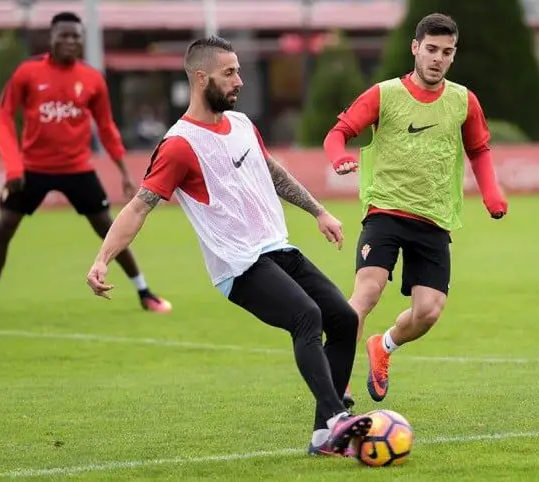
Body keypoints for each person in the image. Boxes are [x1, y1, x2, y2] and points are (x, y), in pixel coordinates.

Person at [86, 35, 374, 456]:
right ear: (201, 79)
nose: (239, 80)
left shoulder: (242, 125)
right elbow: (137, 208)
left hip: (277, 250)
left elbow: (273, 172)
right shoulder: (179, 145)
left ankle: (322, 436)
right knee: (307, 317)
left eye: (238, 70)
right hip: (237, 266)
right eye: (229, 73)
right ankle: (335, 419)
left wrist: (318, 212)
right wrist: (102, 259)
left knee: (344, 319)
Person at [323, 13, 509, 405]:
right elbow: (337, 133)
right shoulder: (384, 94)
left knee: (428, 312)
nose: (438, 58)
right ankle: (337, 384)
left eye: (447, 52)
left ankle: (384, 347)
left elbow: (479, 149)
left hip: (434, 218)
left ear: (453, 55)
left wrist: (492, 193)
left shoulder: (463, 101)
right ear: (415, 48)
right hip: (385, 212)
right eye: (431, 49)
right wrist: (338, 156)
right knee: (366, 293)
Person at [0, 12, 170, 318]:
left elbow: (106, 128)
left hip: (77, 169)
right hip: (32, 169)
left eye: (75, 36)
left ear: (81, 40)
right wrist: (13, 168)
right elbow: (3, 118)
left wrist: (123, 172)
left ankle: (145, 292)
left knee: (109, 228)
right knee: (4, 228)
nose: (70, 41)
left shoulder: (91, 79)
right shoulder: (27, 73)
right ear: (51, 39)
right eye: (63, 35)